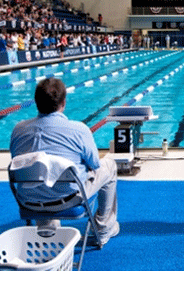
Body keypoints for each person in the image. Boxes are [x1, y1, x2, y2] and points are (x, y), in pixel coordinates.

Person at [10, 78, 119, 245]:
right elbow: (95, 164)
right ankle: (103, 228)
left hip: (28, 202)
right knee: (109, 165)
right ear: (64, 102)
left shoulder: (18, 129)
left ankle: (48, 227)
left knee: (38, 171)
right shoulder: (79, 130)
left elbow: (18, 163)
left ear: (36, 102)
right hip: (69, 200)